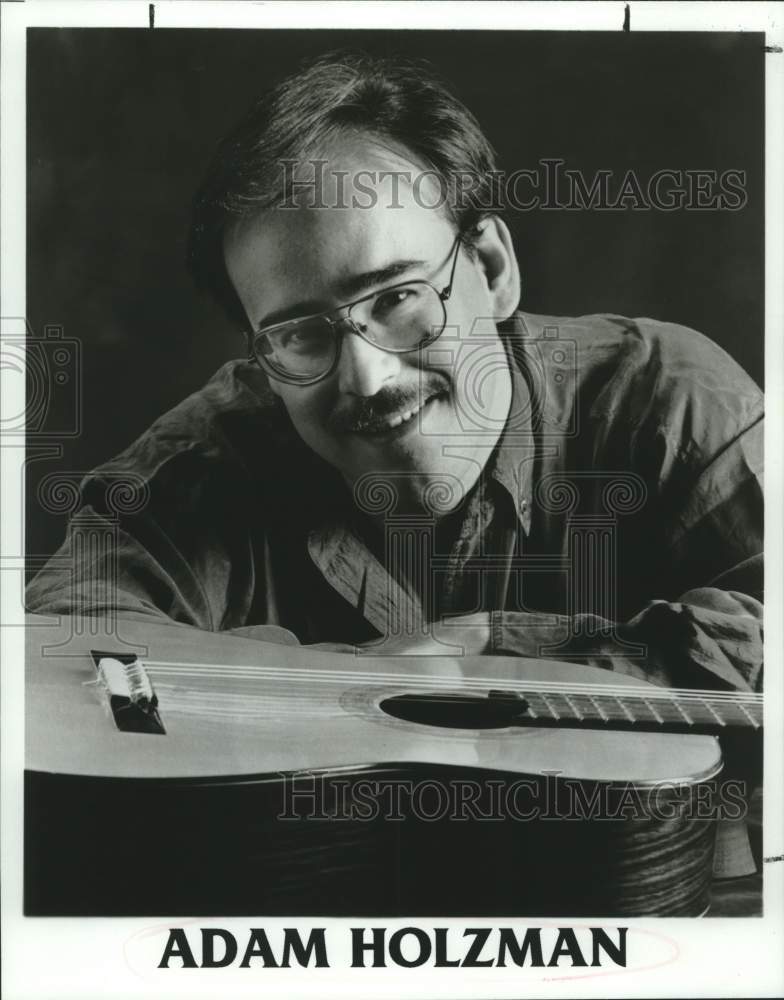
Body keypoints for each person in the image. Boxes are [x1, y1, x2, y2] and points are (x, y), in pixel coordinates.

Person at [26, 51, 763, 697]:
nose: (369, 377)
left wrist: (496, 651)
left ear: (492, 268)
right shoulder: (207, 461)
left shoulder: (671, 402)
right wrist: (299, 685)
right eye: (301, 334)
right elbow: (49, 660)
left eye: (398, 299)